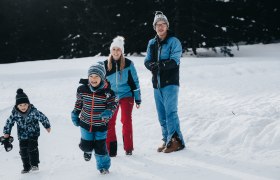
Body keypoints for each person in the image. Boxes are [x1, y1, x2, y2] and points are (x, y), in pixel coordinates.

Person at [144, 11, 185, 153]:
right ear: (154, 27)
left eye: (163, 24)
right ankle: (166, 139)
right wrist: (151, 66)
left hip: (170, 83)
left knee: (170, 112)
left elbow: (175, 60)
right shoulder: (152, 43)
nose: (160, 27)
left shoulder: (174, 41)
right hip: (157, 84)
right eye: (158, 25)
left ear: (167, 26)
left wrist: (160, 65)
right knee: (161, 114)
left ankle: (176, 141)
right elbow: (147, 60)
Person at [71, 62, 118, 174]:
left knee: (100, 148)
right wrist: (75, 113)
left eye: (96, 76)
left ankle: (103, 167)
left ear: (102, 77)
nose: (93, 79)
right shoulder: (82, 89)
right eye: (91, 76)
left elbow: (113, 104)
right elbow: (79, 103)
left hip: (101, 125)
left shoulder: (108, 92)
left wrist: (108, 111)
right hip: (85, 123)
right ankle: (87, 151)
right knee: (86, 145)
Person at [104, 36, 141, 157]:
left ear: (122, 51)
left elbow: (134, 81)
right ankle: (111, 150)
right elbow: (101, 84)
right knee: (110, 121)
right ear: (111, 50)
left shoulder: (129, 64)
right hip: (112, 97)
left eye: (118, 49)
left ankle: (128, 148)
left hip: (127, 95)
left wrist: (138, 97)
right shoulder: (105, 65)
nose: (116, 52)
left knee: (126, 120)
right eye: (114, 49)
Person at [2, 88, 51, 174]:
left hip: (33, 133)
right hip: (22, 136)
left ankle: (34, 164)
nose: (23, 107)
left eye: (25, 104)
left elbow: (42, 117)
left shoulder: (33, 111)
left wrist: (47, 126)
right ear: (17, 106)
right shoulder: (15, 114)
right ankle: (26, 166)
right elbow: (9, 122)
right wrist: (6, 133)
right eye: (20, 105)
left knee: (32, 148)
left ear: (28, 104)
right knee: (23, 151)